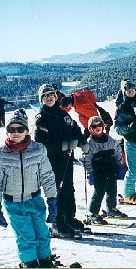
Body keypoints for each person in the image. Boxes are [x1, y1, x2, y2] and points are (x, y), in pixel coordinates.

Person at [0, 109, 58, 268]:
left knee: (42, 232)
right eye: (11, 130)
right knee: (26, 235)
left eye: (20, 129)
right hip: (14, 203)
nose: (15, 133)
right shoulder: (1, 153)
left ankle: (45, 260)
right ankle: (30, 262)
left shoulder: (38, 149)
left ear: (27, 131)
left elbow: (47, 176)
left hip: (35, 199)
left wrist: (52, 199)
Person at [34, 84, 88, 239]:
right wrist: (62, 145)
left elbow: (74, 128)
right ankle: (57, 222)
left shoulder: (63, 114)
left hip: (66, 158)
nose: (49, 98)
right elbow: (41, 143)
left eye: (51, 95)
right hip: (51, 160)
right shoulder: (41, 118)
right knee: (57, 190)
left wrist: (82, 141)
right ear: (42, 100)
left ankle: (68, 217)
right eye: (45, 96)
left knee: (68, 188)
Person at [84, 116, 126, 224]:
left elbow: (117, 153)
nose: (98, 128)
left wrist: (120, 166)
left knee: (112, 190)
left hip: (111, 169)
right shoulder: (90, 144)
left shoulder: (110, 140)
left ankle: (111, 209)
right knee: (99, 191)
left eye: (100, 125)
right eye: (95, 126)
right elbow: (87, 160)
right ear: (90, 129)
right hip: (98, 172)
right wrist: (90, 173)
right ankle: (93, 213)